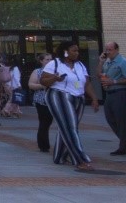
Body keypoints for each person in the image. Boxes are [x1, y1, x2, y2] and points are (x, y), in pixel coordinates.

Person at [40, 40, 99, 171]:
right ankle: (79, 159)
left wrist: (94, 98)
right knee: (69, 127)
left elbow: (86, 83)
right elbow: (43, 81)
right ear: (65, 51)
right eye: (74, 50)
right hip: (59, 95)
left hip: (78, 97)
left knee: (69, 127)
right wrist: (54, 78)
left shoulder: (80, 65)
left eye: (77, 50)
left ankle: (59, 156)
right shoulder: (54, 64)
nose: (77, 53)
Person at [97, 41, 126, 155]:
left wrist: (113, 81)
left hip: (120, 93)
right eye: (106, 50)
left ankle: (124, 146)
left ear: (117, 50)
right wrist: (100, 62)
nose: (108, 52)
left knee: (121, 120)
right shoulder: (107, 63)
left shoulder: (123, 62)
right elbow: (98, 74)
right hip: (109, 94)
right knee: (110, 118)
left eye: (110, 49)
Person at [28, 52, 54, 152]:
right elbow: (31, 85)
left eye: (51, 59)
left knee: (49, 122)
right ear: (41, 61)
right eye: (47, 59)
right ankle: (43, 145)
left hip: (53, 100)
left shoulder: (55, 71)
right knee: (44, 122)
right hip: (42, 100)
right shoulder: (38, 71)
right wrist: (42, 86)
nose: (49, 61)